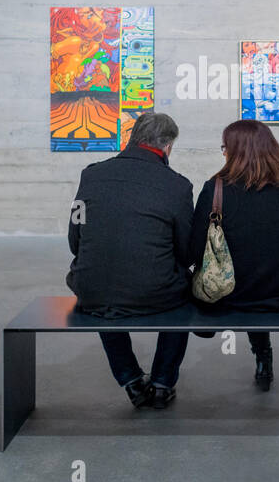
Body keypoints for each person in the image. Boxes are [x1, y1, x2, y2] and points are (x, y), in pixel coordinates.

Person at [66, 112, 195, 409]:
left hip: (91, 290)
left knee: (101, 286)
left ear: (133, 137)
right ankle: (162, 382)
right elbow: (187, 252)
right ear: (168, 146)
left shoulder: (91, 174)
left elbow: (76, 237)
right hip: (155, 293)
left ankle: (131, 380)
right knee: (186, 293)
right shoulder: (177, 186)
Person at [188, 119, 279, 391]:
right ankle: (263, 356)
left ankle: (164, 379)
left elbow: (196, 247)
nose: (224, 152)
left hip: (234, 293)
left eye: (224, 147)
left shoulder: (215, 188)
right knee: (257, 275)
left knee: (226, 281)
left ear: (233, 151)